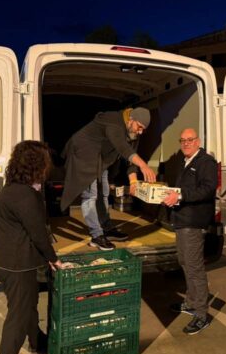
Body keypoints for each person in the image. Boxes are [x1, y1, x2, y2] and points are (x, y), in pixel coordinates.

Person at [0, 141, 64, 354]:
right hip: (16, 264)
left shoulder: (13, 187)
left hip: (5, 260)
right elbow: (38, 233)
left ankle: (38, 341)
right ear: (37, 163)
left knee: (27, 305)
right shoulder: (24, 195)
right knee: (19, 314)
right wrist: (53, 259)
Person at [61, 107, 156, 251]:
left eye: (143, 129)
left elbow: (130, 157)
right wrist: (143, 165)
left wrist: (134, 181)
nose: (140, 131)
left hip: (101, 159)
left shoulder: (133, 133)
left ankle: (106, 228)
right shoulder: (113, 121)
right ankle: (96, 236)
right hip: (84, 153)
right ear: (131, 120)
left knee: (104, 192)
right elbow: (123, 148)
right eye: (140, 127)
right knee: (90, 195)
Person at [163, 128, 217, 335]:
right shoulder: (187, 161)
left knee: (194, 268)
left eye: (190, 140)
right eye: (182, 140)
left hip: (193, 222)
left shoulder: (206, 162)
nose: (186, 143)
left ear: (198, 141)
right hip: (182, 220)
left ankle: (202, 315)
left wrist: (180, 196)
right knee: (185, 262)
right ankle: (191, 302)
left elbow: (207, 189)